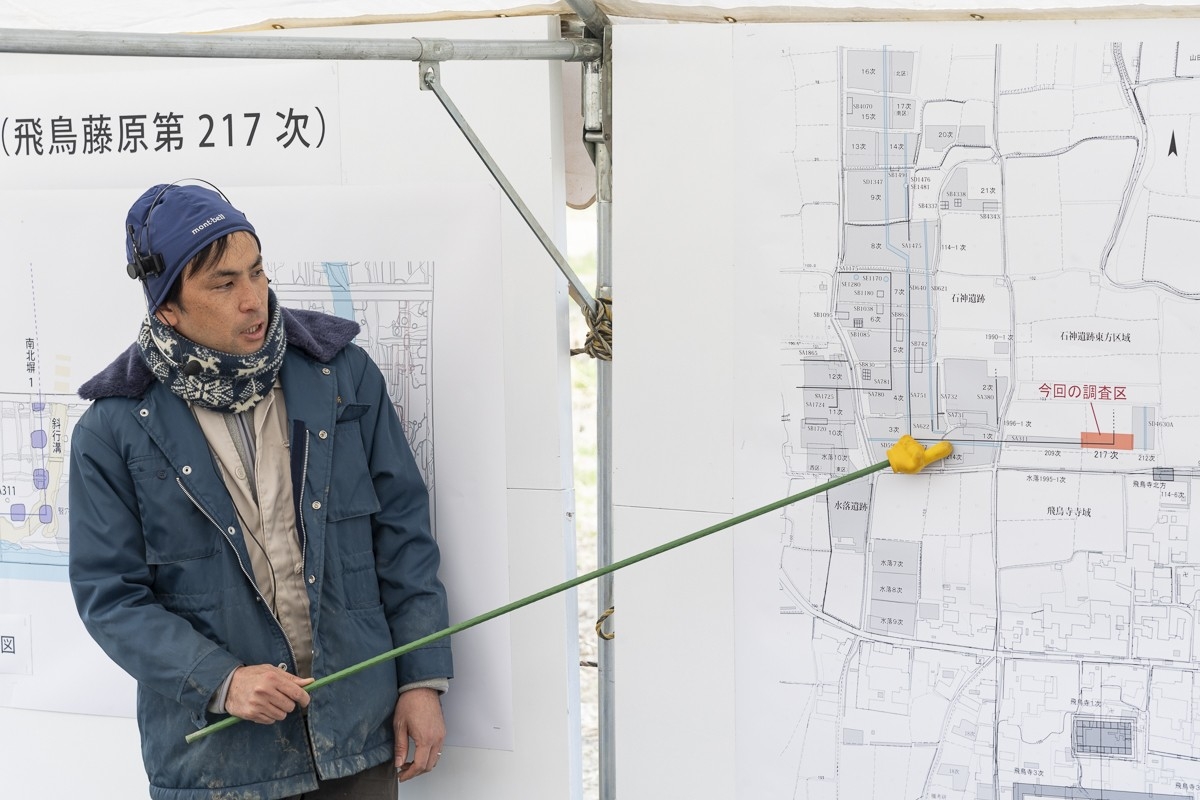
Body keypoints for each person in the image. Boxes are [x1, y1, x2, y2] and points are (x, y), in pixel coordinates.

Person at [68, 182, 452, 800]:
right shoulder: (112, 428)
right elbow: (110, 599)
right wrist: (221, 680)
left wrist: (421, 679)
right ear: (168, 308)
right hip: (219, 763)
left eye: (257, 271)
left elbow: (403, 534)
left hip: (356, 739)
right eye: (224, 284)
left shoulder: (342, 374)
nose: (255, 300)